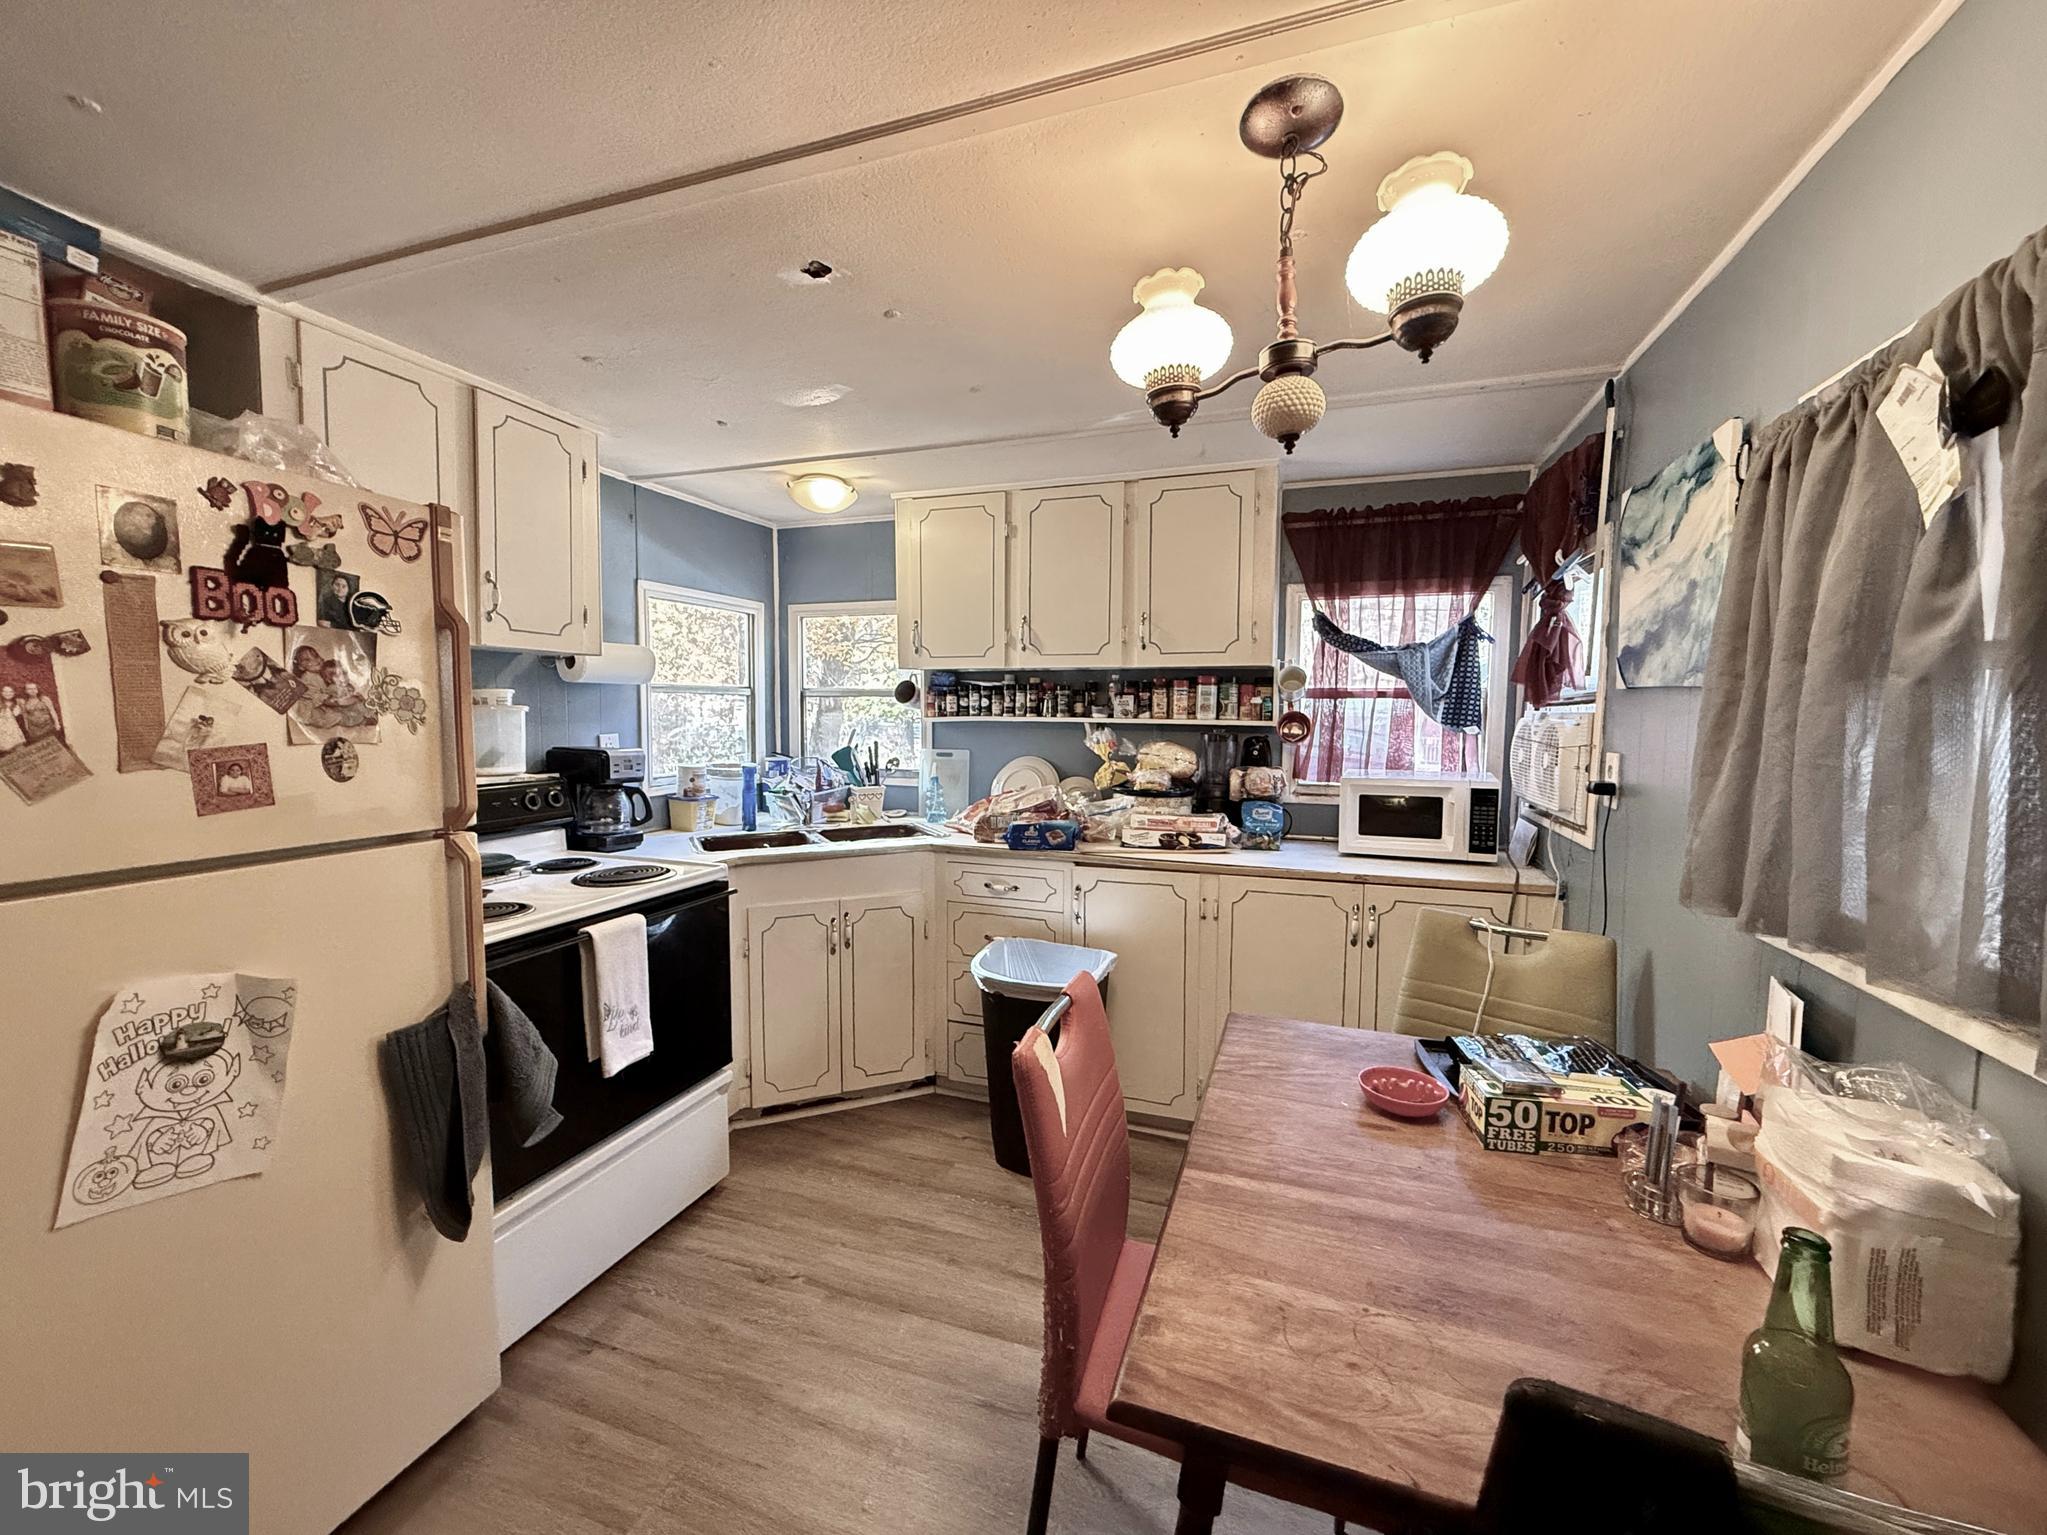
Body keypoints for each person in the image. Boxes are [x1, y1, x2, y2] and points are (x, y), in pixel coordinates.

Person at [0, 685, 23, 754]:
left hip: (15, 732)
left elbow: (19, 716)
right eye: (5, 691)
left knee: (20, 753)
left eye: (10, 692)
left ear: (14, 693)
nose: (8, 693)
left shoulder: (17, 703)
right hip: (3, 733)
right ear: (1, 692)